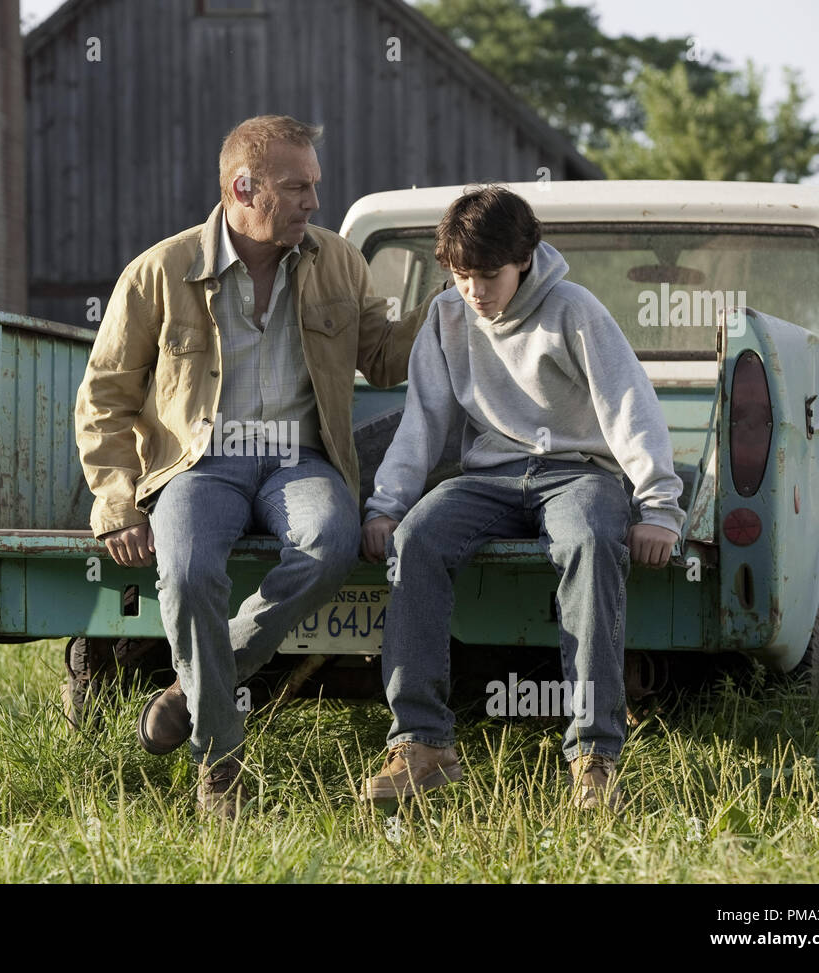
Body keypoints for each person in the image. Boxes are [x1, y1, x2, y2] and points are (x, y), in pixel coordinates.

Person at [74, 115, 431, 819]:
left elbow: (385, 357)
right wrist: (117, 501)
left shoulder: (337, 261)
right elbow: (104, 396)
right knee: (185, 570)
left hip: (299, 458)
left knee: (330, 542)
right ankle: (220, 766)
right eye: (297, 187)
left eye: (314, 186)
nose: (313, 202)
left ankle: (192, 687)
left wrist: (455, 294)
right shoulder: (159, 271)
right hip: (198, 463)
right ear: (244, 187)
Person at [359, 185, 685, 810]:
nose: (475, 292)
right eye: (461, 277)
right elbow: (423, 420)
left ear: (526, 258)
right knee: (415, 540)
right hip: (491, 476)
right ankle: (422, 746)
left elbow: (627, 408)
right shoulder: (446, 317)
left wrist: (659, 507)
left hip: (578, 473)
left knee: (590, 542)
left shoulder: (574, 310)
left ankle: (594, 756)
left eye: (488, 275)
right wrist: (386, 505)